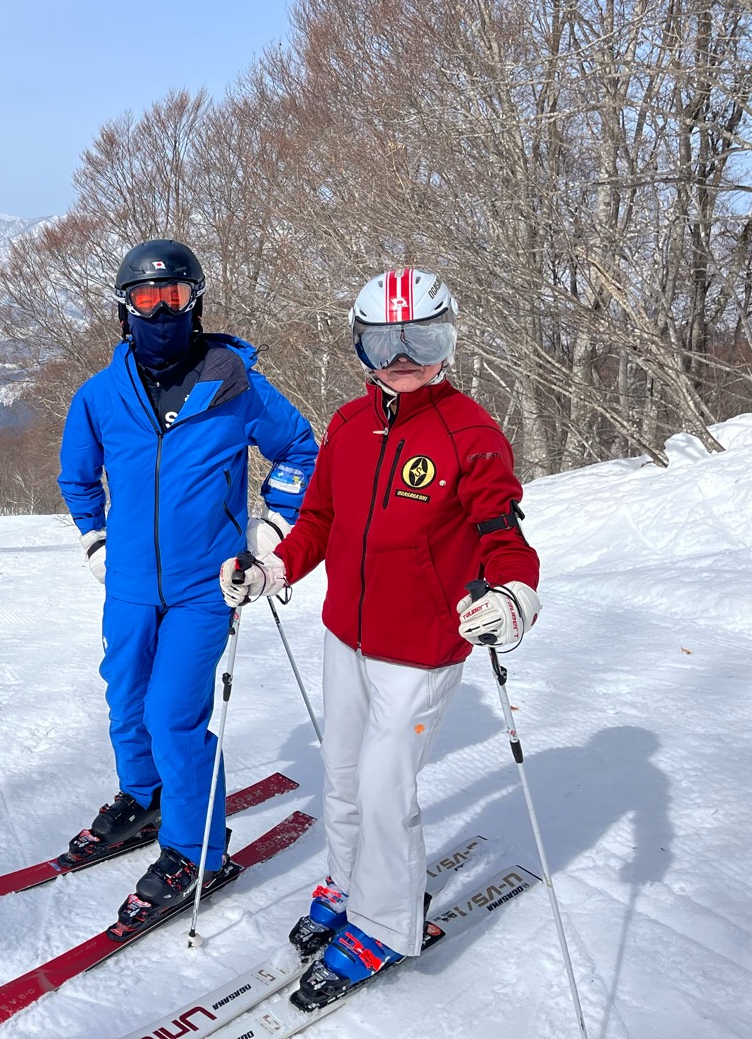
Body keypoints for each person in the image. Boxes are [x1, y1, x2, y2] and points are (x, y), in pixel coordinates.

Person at [220, 267, 541, 1009]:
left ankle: (384, 923)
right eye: (383, 343)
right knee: (341, 777)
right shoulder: (347, 425)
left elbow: (503, 532)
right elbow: (323, 523)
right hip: (347, 636)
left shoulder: (470, 431)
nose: (403, 358)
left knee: (385, 786)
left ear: (448, 341)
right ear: (360, 347)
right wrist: (274, 570)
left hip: (423, 647)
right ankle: (346, 878)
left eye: (421, 339)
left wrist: (513, 595)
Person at [58, 238, 319, 934]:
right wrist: (95, 537)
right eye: (147, 298)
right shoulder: (100, 394)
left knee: (175, 713)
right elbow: (77, 477)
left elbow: (300, 450)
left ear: (196, 301)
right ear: (125, 309)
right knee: (127, 698)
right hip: (131, 584)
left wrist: (272, 529)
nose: (162, 309)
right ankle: (144, 797)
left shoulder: (234, 382)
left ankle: (194, 852)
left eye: (174, 296)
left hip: (208, 584)